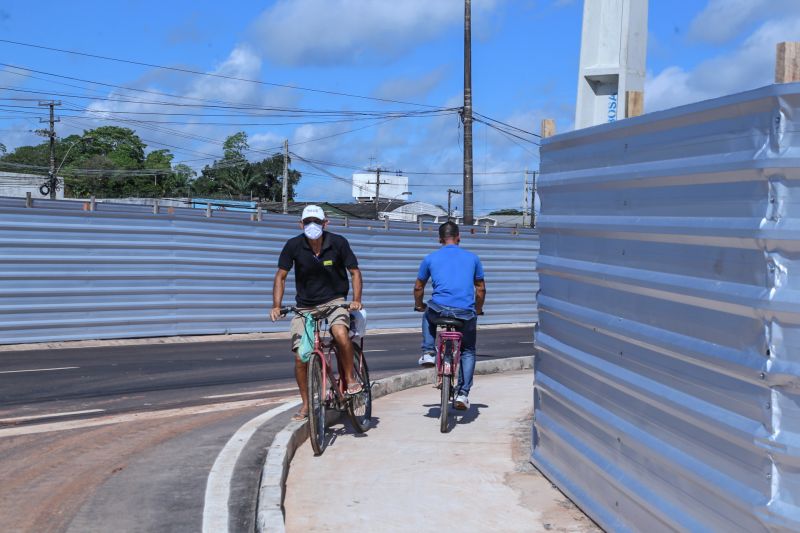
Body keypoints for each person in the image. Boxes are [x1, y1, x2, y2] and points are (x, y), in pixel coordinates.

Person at [270, 205, 363, 421]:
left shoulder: (338, 243)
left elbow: (355, 273)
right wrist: (277, 305)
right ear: (300, 224)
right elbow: (280, 276)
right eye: (308, 222)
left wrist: (356, 301)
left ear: (325, 224)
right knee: (301, 357)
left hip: (335, 301)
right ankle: (306, 404)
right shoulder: (293, 245)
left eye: (317, 222)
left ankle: (349, 379)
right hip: (305, 307)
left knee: (340, 333)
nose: (312, 226)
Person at [413, 221, 486, 410]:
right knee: (468, 350)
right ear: (459, 236)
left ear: (440, 239)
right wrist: (477, 309)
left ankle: (429, 352)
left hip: (439, 310)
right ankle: (463, 394)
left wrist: (419, 305)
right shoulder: (473, 258)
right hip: (465, 313)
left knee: (427, 315)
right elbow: (480, 289)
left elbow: (418, 287)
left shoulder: (430, 258)